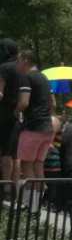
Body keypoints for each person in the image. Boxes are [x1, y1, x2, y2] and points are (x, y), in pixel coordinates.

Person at [15, 51, 54, 208]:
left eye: (18, 60)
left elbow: (24, 103)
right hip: (47, 128)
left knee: (27, 165)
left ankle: (28, 204)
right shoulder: (44, 78)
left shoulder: (26, 77)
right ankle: (37, 206)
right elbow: (53, 103)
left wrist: (15, 112)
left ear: (25, 60)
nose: (17, 64)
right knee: (38, 165)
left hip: (33, 128)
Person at [0, 39, 26, 198]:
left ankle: (4, 189)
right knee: (14, 155)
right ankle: (13, 191)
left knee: (5, 155)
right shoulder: (22, 69)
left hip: (3, 116)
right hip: (17, 117)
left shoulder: (3, 68)